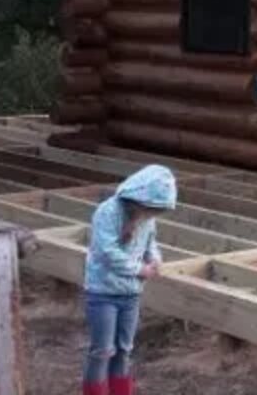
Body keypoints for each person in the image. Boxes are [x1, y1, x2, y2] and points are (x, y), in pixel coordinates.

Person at [83, 165, 176, 395]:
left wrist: (154, 259)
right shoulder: (108, 212)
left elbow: (151, 243)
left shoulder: (147, 218)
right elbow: (107, 252)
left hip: (131, 294)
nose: (153, 214)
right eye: (152, 208)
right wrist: (139, 269)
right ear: (139, 199)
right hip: (103, 292)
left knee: (124, 349)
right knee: (103, 350)